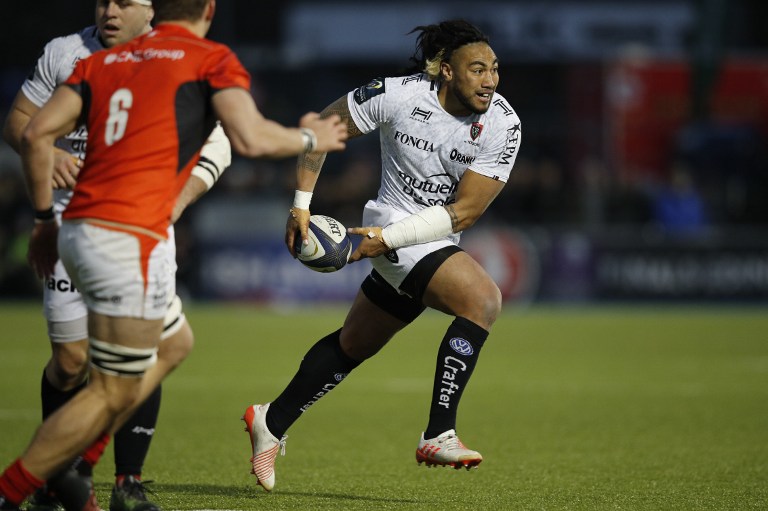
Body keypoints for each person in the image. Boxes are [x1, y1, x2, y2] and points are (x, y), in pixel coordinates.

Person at [0, 0, 347, 509]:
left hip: (77, 225)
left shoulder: (103, 61)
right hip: (127, 234)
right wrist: (311, 135)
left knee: (174, 343)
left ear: (156, 11)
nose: (111, 11)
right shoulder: (206, 59)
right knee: (109, 388)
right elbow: (246, 137)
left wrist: (41, 219)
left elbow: (32, 134)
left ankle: (98, 479)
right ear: (209, 9)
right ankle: (18, 491)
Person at [242, 19, 522, 492]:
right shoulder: (397, 95)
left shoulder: (502, 123)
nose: (491, 80)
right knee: (483, 300)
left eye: (495, 69)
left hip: (429, 235)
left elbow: (466, 211)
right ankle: (438, 432)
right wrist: (301, 205)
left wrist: (381, 243)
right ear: (447, 71)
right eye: (478, 69)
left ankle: (271, 419)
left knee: (355, 344)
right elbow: (324, 128)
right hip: (390, 223)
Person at [1, 2, 231, 510]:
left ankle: (124, 479)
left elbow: (222, 142)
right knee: (70, 361)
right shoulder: (66, 53)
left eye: (125, 1)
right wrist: (50, 153)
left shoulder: (174, 56)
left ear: (154, 8)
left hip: (142, 224)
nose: (109, 11)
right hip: (73, 221)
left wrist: (179, 199)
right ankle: (54, 476)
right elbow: (21, 123)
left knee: (149, 348)